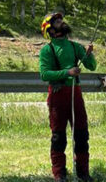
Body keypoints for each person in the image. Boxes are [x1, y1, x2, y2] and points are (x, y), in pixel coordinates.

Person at [39, 11, 97, 182]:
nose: (61, 21)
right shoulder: (47, 50)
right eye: (56, 21)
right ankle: (59, 174)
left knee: (81, 134)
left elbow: (92, 66)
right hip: (57, 96)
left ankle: (83, 173)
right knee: (58, 136)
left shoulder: (74, 46)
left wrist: (88, 55)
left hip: (75, 94)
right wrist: (67, 72)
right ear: (49, 29)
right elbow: (44, 74)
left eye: (60, 19)